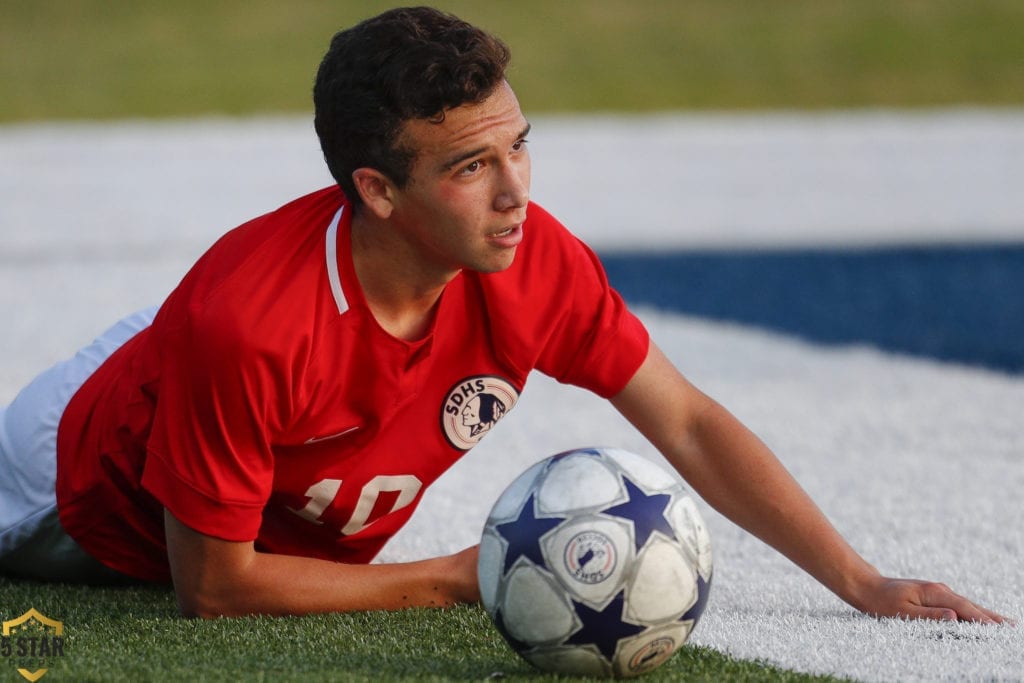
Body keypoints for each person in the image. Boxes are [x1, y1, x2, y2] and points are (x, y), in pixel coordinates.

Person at [0, 6, 1006, 624]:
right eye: (471, 166)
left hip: (238, 355)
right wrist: (457, 576)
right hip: (72, 478)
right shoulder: (252, 328)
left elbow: (687, 419)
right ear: (379, 190)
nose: (516, 190)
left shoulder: (528, 256)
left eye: (519, 144)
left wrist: (861, 581)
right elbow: (212, 590)